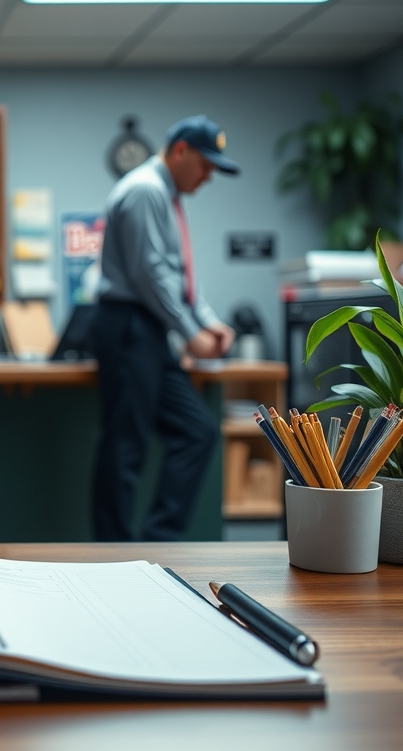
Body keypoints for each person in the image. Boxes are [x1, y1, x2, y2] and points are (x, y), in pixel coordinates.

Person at [91, 115, 239, 542]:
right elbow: (149, 274)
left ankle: (160, 541)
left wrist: (208, 321)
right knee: (126, 444)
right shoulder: (145, 190)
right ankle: (113, 551)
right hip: (128, 324)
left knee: (197, 431)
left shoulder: (165, 194)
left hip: (150, 329)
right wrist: (191, 333)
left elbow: (177, 275)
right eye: (205, 165)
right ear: (180, 151)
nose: (208, 177)